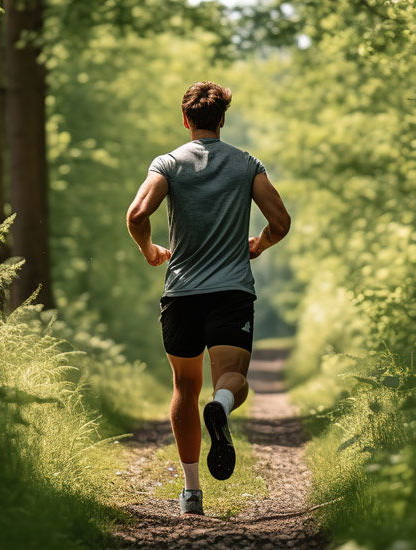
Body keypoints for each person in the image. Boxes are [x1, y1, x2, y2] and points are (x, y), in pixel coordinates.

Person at [126, 81, 291, 516]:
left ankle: (192, 491)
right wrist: (260, 243)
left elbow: (137, 214)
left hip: (181, 292)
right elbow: (280, 220)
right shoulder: (246, 164)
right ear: (222, 119)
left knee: (184, 386)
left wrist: (149, 251)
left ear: (186, 120)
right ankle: (219, 408)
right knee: (231, 378)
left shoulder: (168, 164)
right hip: (231, 291)